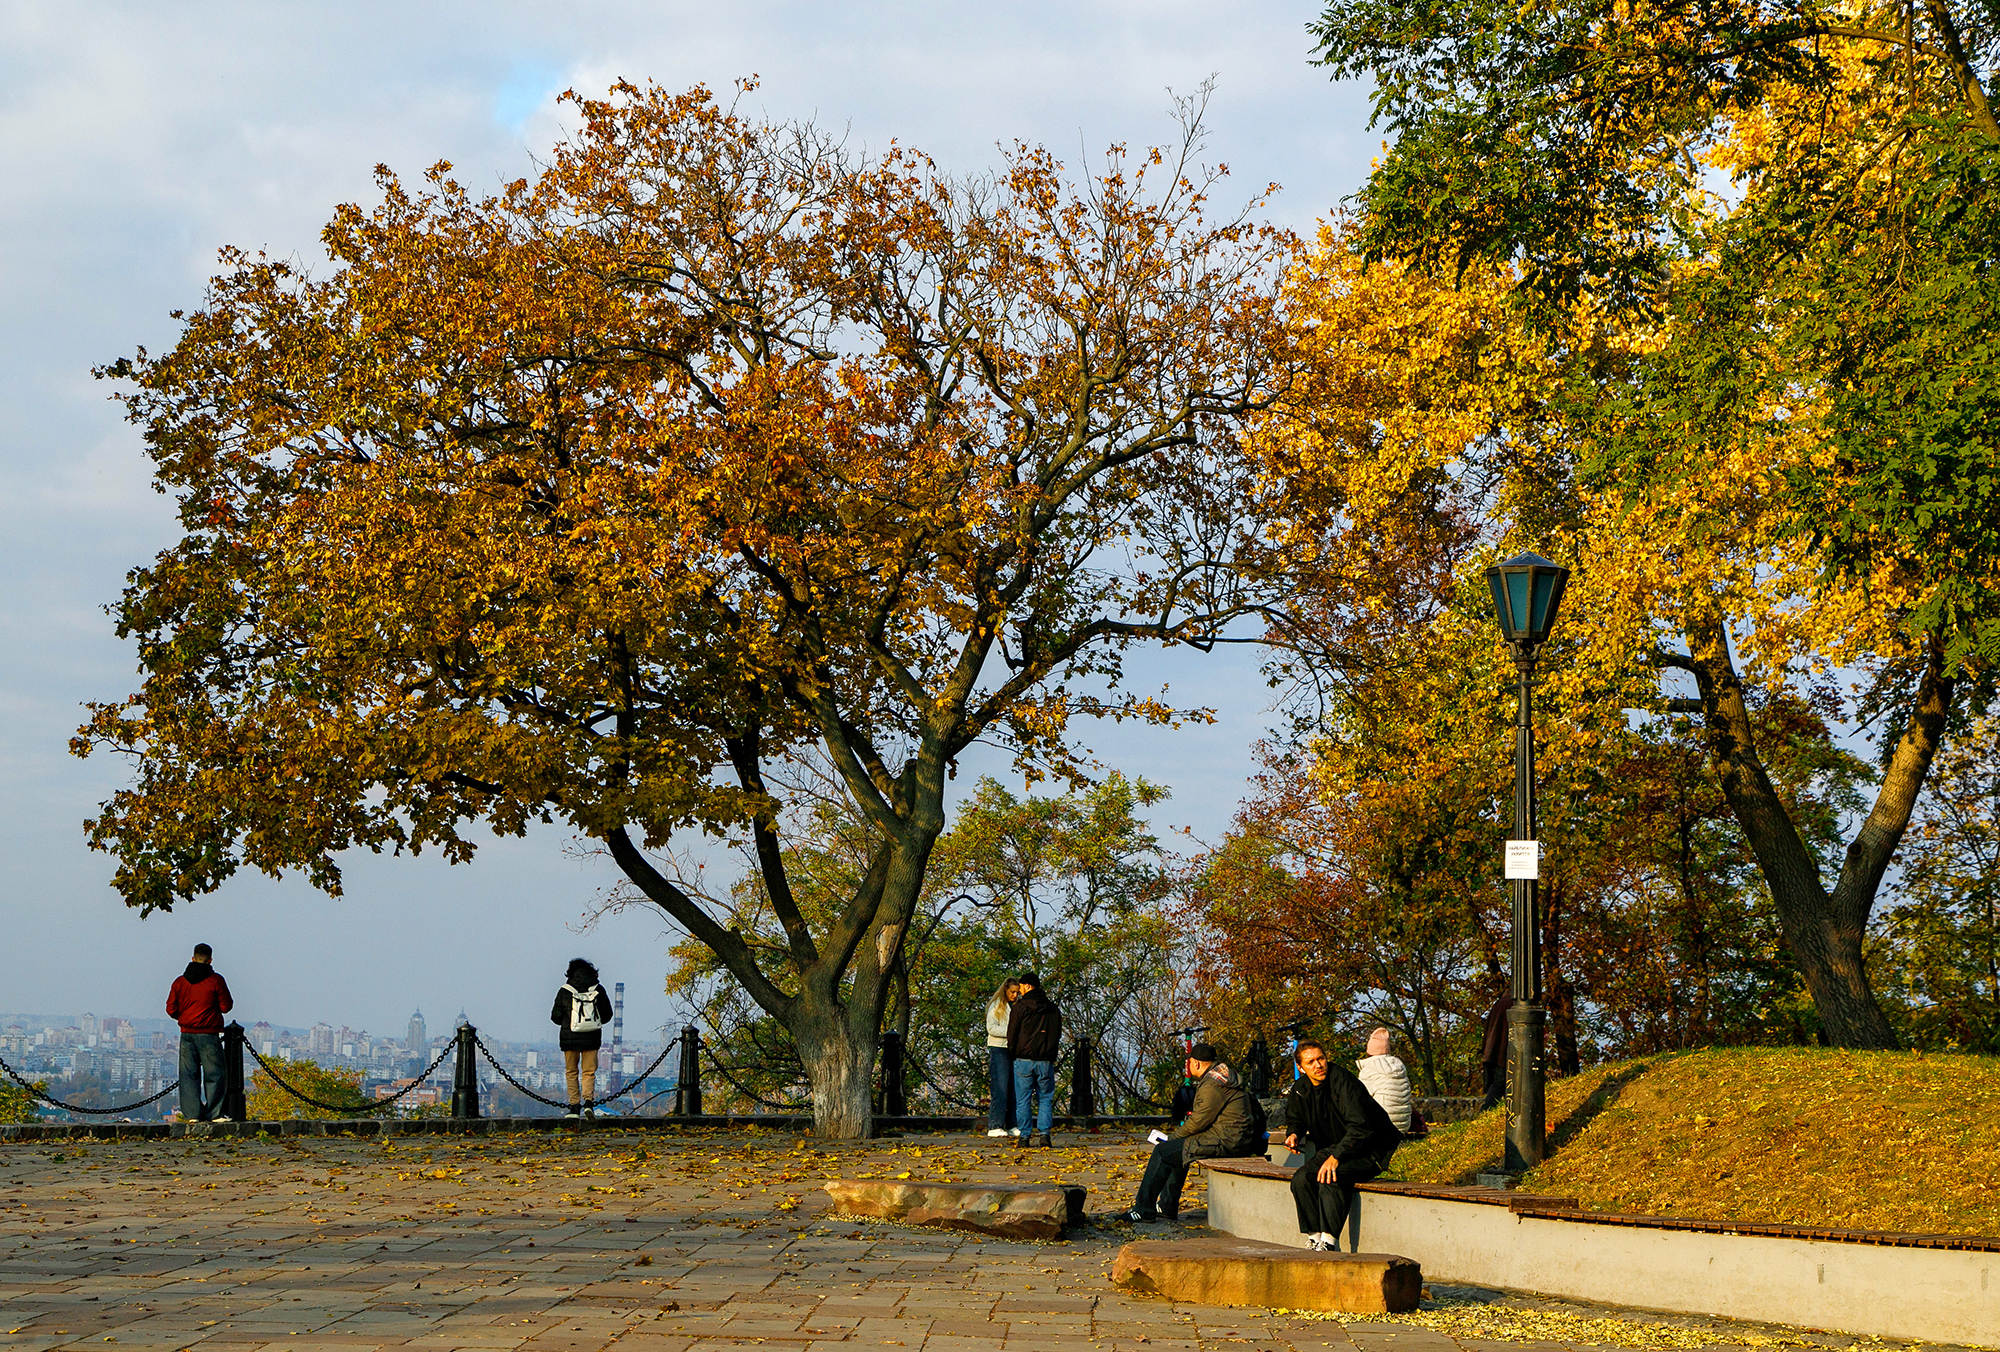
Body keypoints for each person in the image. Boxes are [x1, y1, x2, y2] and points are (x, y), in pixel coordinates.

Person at [1283, 1039, 1402, 1251]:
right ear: (1301, 1068)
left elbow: (1360, 1128)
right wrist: (1293, 1133)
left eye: (1321, 1059)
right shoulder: (1301, 1088)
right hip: (1336, 1147)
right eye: (1311, 1062)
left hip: (1371, 1149)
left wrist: (1335, 1157)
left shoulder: (1344, 1082)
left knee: (1330, 1177)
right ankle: (1315, 1238)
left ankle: (1329, 1242)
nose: (1318, 1065)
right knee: (1301, 1179)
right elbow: (1296, 1118)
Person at [1125, 1041, 1262, 1223]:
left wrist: (1171, 1138)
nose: (1189, 1066)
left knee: (1163, 1151)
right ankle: (1167, 1206)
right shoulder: (1222, 1078)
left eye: (1189, 1063)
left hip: (1226, 1140)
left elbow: (1198, 1122)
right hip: (1233, 1137)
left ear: (1195, 1063)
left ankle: (1143, 1209)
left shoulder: (1212, 1085)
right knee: (1177, 1150)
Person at [165, 943, 234, 1123]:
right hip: (209, 1034)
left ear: (193, 958)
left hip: (186, 1034)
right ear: (210, 960)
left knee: (188, 1075)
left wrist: (186, 1016)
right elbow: (226, 1006)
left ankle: (192, 1114)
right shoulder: (216, 981)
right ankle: (215, 1113)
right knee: (215, 1074)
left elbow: (171, 1009)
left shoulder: (180, 982)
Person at [551, 958, 614, 1119]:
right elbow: (607, 1015)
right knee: (589, 1072)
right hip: (591, 1037)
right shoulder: (598, 989)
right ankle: (588, 1103)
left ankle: (574, 1107)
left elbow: (555, 1017)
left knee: (571, 1071)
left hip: (569, 1037)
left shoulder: (564, 990)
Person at [1007, 971, 1062, 1147]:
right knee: (1045, 1098)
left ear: (1028, 986)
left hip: (1023, 1059)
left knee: (1023, 1099)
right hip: (1045, 1060)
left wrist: (1013, 1053)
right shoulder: (1052, 1008)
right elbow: (1057, 1033)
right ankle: (1044, 1134)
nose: (1019, 990)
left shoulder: (1020, 1008)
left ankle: (1024, 1136)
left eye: (1021, 986)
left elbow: (1012, 1034)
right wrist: (1051, 1054)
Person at [1355, 1027, 1413, 1132]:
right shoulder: (1399, 1067)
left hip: (1382, 1127)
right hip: (1404, 1126)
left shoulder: (1369, 1069)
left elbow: (1359, 1098)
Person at [984, 977, 1021, 1138]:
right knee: (1000, 1087)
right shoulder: (996, 1006)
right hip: (999, 1048)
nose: (1015, 995)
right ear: (1005, 990)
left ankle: (1012, 1123)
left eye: (1017, 992)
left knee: (1014, 1088)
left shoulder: (1017, 1006)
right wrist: (1011, 1032)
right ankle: (995, 1124)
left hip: (1014, 1049)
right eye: (1012, 992)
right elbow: (991, 1028)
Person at [1480, 992, 1516, 1110]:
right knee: (1500, 1082)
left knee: (1500, 1082)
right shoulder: (1514, 1004)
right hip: (1503, 1050)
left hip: (1493, 1050)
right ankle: (1487, 1109)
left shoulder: (1498, 1005)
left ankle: (1493, 1109)